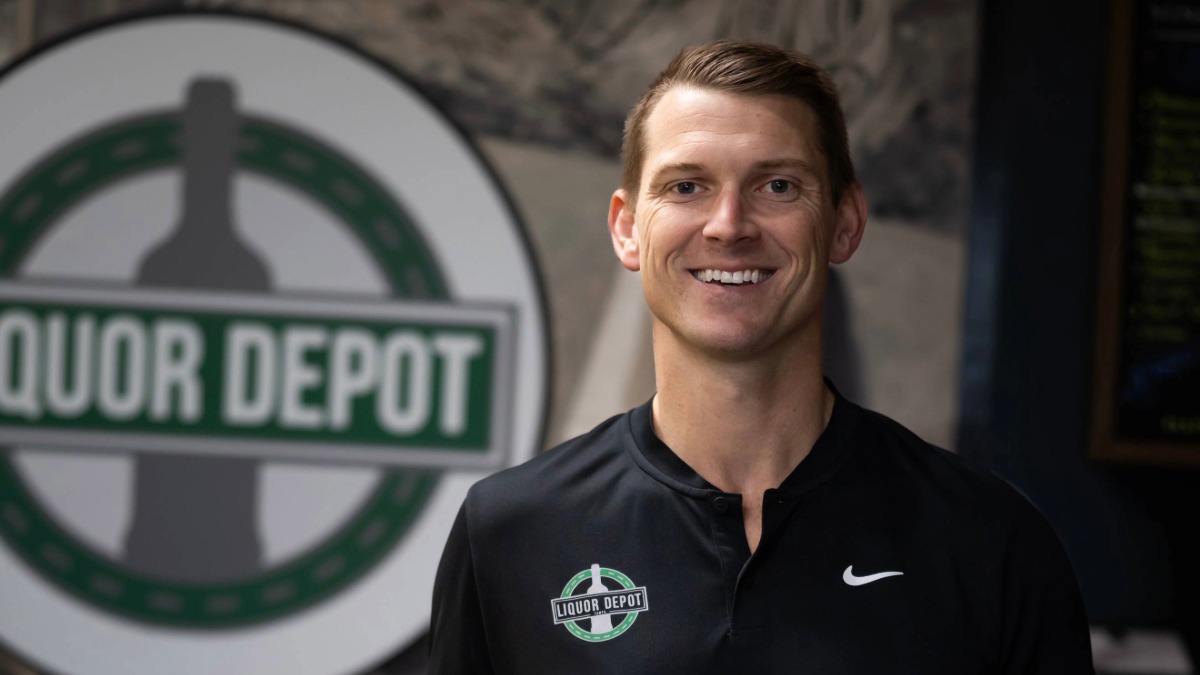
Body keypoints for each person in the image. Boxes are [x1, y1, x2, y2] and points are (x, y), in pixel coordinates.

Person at [430, 39, 1094, 674]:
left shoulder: (989, 539)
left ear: (845, 222)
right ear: (627, 228)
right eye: (686, 186)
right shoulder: (510, 533)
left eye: (776, 186)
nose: (728, 224)